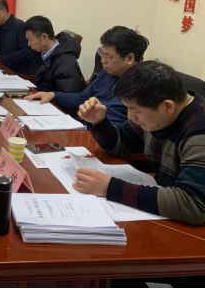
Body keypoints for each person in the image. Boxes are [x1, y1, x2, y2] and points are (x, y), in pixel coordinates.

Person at [76, 61, 205, 226]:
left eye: (135, 110)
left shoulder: (199, 132)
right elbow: (121, 143)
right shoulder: (155, 114)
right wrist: (99, 123)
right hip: (167, 213)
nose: (130, 116)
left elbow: (193, 205)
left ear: (167, 106)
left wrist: (110, 187)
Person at [26, 26, 149, 125]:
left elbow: (128, 133)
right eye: (102, 55)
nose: (103, 61)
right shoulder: (107, 73)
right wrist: (52, 95)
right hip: (88, 128)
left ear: (129, 58)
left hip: (107, 137)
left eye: (108, 57)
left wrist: (99, 125)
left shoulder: (140, 86)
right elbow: (82, 98)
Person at [24, 16, 85, 94]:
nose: (29, 44)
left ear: (44, 37)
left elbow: (68, 96)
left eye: (31, 40)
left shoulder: (65, 63)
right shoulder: (41, 53)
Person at [0, 0, 37, 74]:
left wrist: (2, 58)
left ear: (2, 10)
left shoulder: (19, 26)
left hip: (18, 73)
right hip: (1, 69)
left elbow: (28, 52)